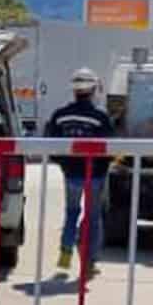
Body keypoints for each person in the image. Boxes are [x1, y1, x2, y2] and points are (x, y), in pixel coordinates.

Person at [44, 68, 111, 277]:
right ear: (93, 89)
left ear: (73, 90)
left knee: (71, 213)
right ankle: (89, 261)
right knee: (93, 217)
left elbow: (51, 143)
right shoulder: (100, 116)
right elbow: (109, 147)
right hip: (95, 176)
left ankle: (65, 256)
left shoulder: (60, 115)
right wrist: (103, 168)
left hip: (71, 174)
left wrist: (65, 164)